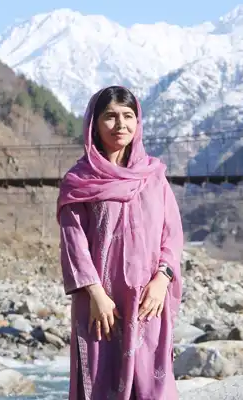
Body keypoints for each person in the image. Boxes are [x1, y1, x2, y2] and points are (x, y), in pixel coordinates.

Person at [56, 85, 184, 400]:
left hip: (147, 299)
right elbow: (74, 243)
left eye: (128, 116)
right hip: (101, 303)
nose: (121, 125)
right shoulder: (79, 181)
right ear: (94, 125)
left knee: (150, 385)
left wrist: (162, 279)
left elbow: (172, 233)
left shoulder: (153, 176)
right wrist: (96, 295)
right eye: (110, 117)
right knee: (100, 381)